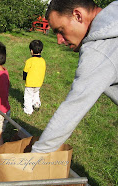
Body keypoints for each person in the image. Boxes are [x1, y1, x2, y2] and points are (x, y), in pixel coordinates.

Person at [32, 0, 118, 153]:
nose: (59, 40)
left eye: (61, 30)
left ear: (78, 16)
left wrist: (34, 158)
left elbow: (71, 110)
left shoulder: (98, 49)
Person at [23, 40, 46, 115]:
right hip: (39, 82)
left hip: (30, 83)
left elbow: (25, 71)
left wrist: (24, 78)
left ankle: (28, 110)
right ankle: (36, 104)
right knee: (36, 93)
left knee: (28, 96)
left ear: (31, 51)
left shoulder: (29, 61)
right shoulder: (43, 61)